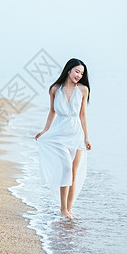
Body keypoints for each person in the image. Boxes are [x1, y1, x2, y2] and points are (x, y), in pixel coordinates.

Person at [35, 58, 92, 220]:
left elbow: (82, 115)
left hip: (76, 134)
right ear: (68, 70)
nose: (79, 75)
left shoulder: (83, 90)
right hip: (59, 133)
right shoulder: (54, 89)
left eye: (82, 73)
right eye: (77, 71)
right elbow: (52, 111)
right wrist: (45, 130)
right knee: (66, 169)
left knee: (73, 172)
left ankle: (69, 209)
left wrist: (87, 138)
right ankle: (62, 209)